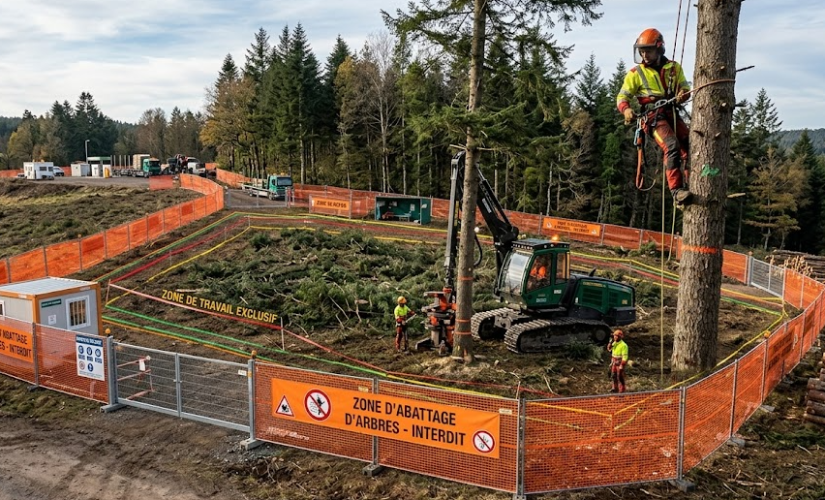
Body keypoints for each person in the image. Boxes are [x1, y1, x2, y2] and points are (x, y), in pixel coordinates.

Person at [617, 28, 692, 205]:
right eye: (642, 51)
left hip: (671, 112)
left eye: (648, 51)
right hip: (652, 118)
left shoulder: (674, 68)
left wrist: (683, 94)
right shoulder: (636, 73)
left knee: (690, 144)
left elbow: (685, 89)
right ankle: (677, 191)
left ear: (659, 49)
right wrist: (626, 110)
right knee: (671, 146)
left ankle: (691, 185)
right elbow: (622, 97)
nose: (644, 55)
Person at [607, 329, 629, 393]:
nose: (615, 337)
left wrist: (622, 365)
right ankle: (614, 389)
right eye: (614, 336)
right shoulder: (614, 343)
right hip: (614, 362)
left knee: (620, 377)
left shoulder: (624, 345)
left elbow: (625, 357)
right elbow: (609, 350)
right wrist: (610, 344)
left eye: (616, 336)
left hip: (619, 363)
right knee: (614, 376)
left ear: (620, 337)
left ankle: (622, 391)